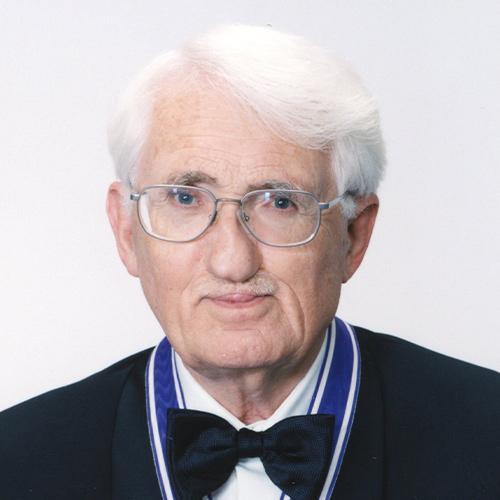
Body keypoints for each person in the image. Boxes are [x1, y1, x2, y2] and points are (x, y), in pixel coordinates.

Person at [1, 24, 498, 500]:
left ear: (353, 235)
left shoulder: (487, 437)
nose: (233, 262)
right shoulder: (16, 459)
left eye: (280, 203)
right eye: (185, 198)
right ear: (127, 230)